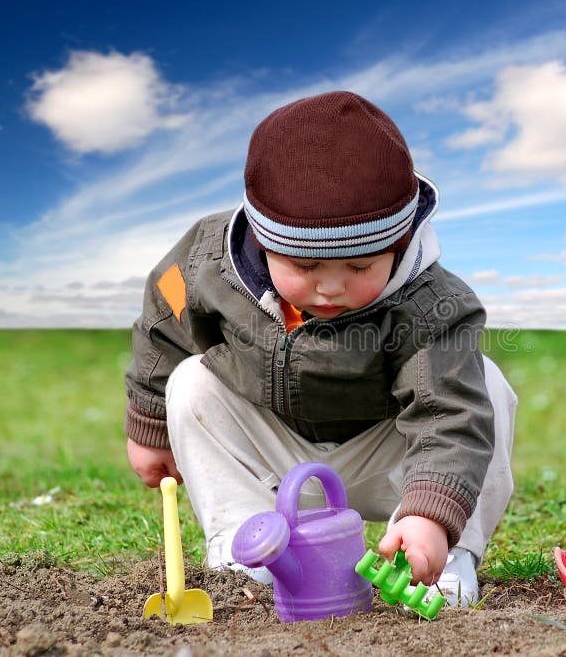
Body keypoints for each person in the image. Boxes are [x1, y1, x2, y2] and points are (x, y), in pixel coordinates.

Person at [124, 91, 517, 606]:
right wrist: (151, 425)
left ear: (398, 246)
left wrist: (432, 514)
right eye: (305, 268)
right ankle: (250, 550)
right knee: (192, 381)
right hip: (274, 457)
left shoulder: (433, 305)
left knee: (482, 384)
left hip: (391, 460)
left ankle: (444, 554)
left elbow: (448, 416)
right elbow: (165, 322)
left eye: (359, 268)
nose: (330, 289)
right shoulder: (204, 263)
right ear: (264, 244)